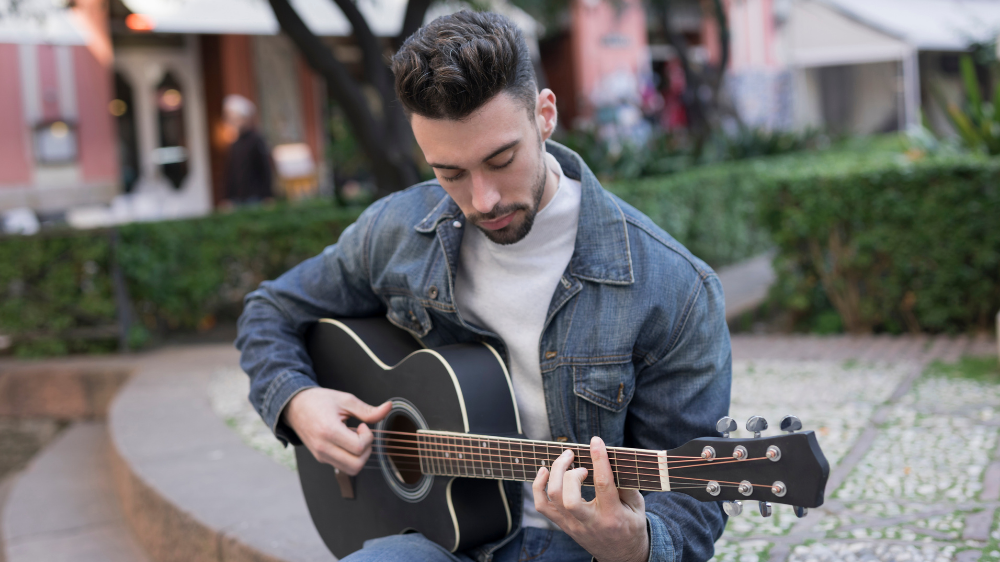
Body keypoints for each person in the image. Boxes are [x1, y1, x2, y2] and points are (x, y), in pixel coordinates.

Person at [236, 11, 730, 562]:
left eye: (501, 160)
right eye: (450, 173)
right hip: (429, 534)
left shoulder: (674, 289)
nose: (483, 199)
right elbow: (270, 310)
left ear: (545, 114)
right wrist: (298, 402)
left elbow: (693, 511)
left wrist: (634, 543)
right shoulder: (398, 231)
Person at [222, 94, 273, 205]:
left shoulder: (256, 140)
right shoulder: (235, 143)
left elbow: (265, 168)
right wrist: (228, 197)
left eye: (236, 118)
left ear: (244, 118)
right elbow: (231, 173)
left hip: (255, 198)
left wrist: (268, 195)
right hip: (238, 199)